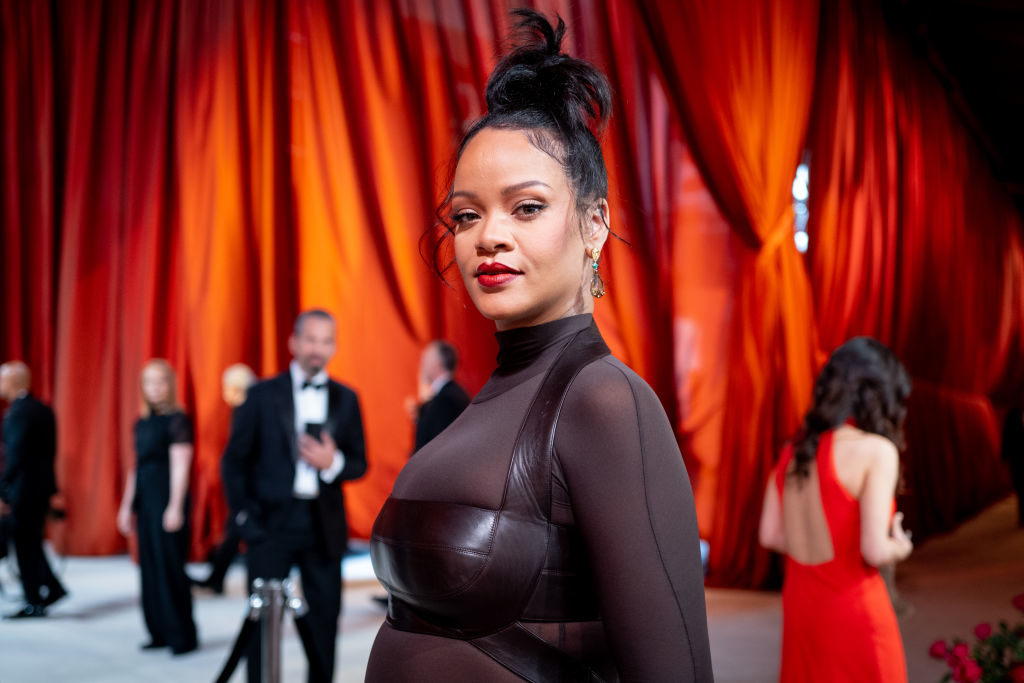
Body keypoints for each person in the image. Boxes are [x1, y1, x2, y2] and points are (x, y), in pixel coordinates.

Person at [366, 11, 713, 682]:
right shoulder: (495, 397)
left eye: (525, 207)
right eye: (466, 214)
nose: (487, 236)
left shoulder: (605, 402)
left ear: (593, 223)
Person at [221, 309, 367, 683]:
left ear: (333, 347)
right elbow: (234, 461)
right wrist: (244, 519)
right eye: (310, 339)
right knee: (262, 626)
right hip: (269, 526)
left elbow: (359, 463)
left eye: (325, 341)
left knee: (323, 622)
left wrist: (332, 462)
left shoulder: (348, 399)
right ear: (294, 342)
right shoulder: (259, 395)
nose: (317, 348)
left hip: (324, 527)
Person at [758, 337, 914, 682]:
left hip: (802, 612)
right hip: (856, 614)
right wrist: (900, 545)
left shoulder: (793, 451)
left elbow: (769, 535)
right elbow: (873, 549)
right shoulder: (876, 451)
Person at [116, 359, 198, 653]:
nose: (155, 388)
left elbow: (181, 466)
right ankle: (158, 631)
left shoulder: (177, 420)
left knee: (171, 568)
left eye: (160, 381)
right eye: (149, 382)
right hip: (146, 501)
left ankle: (182, 635)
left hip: (168, 499)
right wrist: (126, 506)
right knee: (149, 567)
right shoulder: (141, 423)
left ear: (170, 385)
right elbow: (136, 467)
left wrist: (175, 506)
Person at [0, 361, 68, 619]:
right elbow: (49, 454)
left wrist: (3, 488)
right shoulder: (42, 409)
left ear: (14, 382)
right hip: (39, 489)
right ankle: (52, 588)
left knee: (25, 545)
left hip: (23, 490)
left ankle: (33, 601)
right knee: (31, 542)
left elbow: (15, 455)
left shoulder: (18, 412)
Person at [193, 363, 257, 594]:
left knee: (241, 533)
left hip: (251, 487)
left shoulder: (248, 412)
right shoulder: (242, 410)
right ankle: (216, 578)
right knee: (234, 533)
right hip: (244, 486)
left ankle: (218, 579)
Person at [411, 341, 470, 453]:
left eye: (425, 360)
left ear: (437, 363)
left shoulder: (446, 400)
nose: (421, 366)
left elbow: (436, 448)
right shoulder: (453, 394)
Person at [1002, 403, 1024, 527]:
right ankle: (1022, 516)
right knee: (1020, 487)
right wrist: (1005, 456)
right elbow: (1007, 434)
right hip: (1018, 458)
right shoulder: (1013, 415)